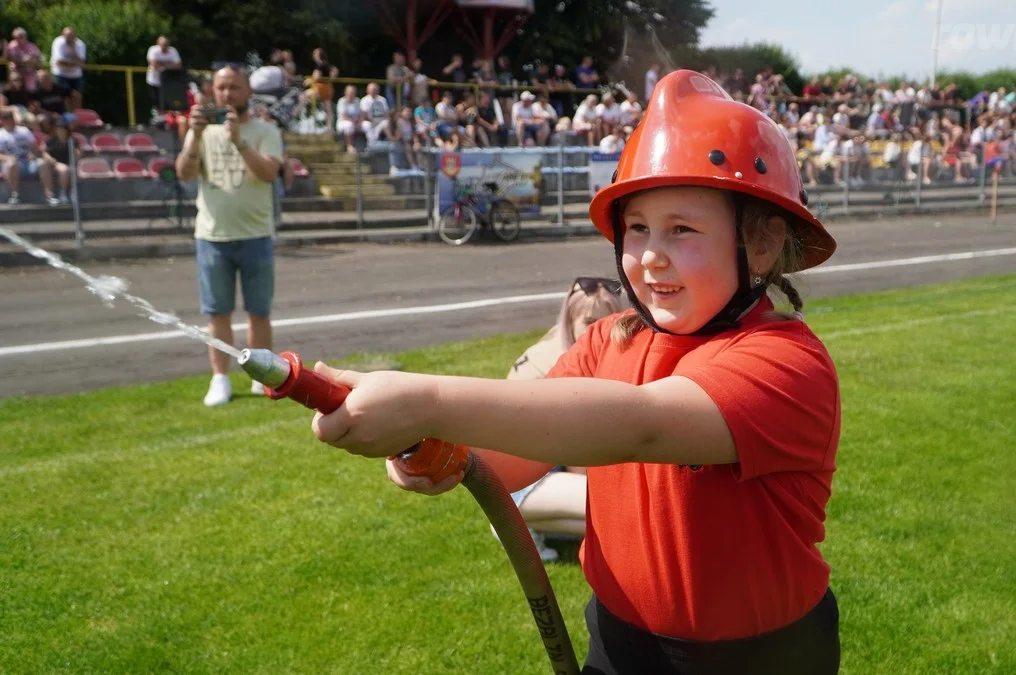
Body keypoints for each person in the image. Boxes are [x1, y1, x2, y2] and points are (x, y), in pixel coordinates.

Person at [308, 70, 842, 674]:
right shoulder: (606, 342)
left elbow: (642, 425)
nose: (649, 255)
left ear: (765, 246)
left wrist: (425, 399)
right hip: (620, 644)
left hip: (765, 659)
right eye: (636, 228)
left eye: (682, 229)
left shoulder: (787, 364)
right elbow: (514, 458)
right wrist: (432, 449)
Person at [175, 65, 284, 407]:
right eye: (221, 88)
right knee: (217, 313)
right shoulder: (202, 132)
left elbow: (269, 173)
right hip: (212, 235)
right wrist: (192, 136)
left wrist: (239, 142)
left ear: (248, 92)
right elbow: (185, 172)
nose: (227, 94)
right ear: (212, 92)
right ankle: (219, 377)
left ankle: (261, 374)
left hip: (255, 233)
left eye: (234, 88)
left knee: (258, 312)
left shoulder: (265, 130)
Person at [501, 276, 629, 562]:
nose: (600, 329)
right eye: (590, 322)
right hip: (517, 479)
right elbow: (578, 451)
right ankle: (515, 525)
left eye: (610, 319)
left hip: (527, 466)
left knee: (611, 513)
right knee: (620, 508)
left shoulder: (560, 340)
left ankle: (529, 524)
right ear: (570, 319)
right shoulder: (568, 363)